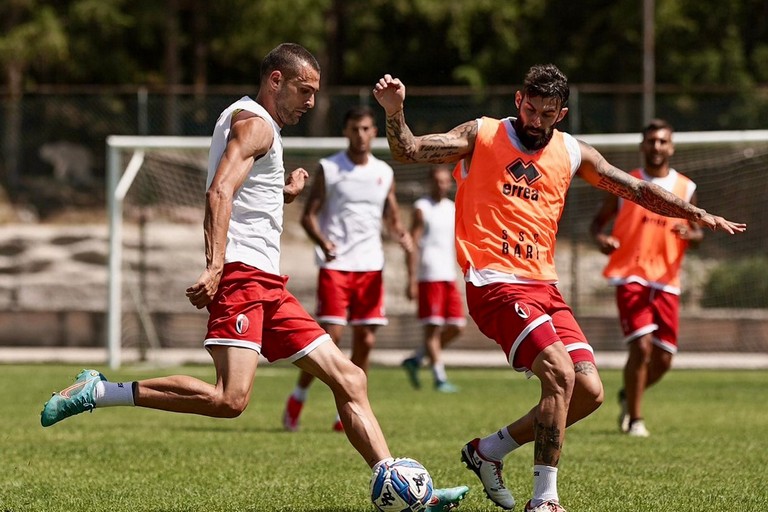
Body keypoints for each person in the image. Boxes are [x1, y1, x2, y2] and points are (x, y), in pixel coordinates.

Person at [40, 43, 467, 512]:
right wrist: (215, 265)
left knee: (350, 377)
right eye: (304, 91)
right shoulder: (257, 124)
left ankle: (405, 491)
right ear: (276, 81)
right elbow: (219, 191)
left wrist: (283, 190)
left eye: (315, 93)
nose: (310, 103)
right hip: (242, 275)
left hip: (266, 281)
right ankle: (99, 391)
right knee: (230, 399)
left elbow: (243, 190)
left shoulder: (257, 127)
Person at [373, 65, 745, 512]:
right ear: (518, 100)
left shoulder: (572, 152)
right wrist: (395, 113)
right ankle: (544, 501)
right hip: (495, 283)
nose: (535, 120)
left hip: (544, 287)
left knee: (589, 393)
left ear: (561, 113)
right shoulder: (483, 134)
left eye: (546, 113)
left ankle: (488, 450)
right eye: (529, 108)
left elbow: (637, 190)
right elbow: (409, 150)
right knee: (560, 374)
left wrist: (694, 213)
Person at [282, 105, 413, 433]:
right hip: (337, 265)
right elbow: (308, 215)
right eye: (355, 129)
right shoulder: (330, 167)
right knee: (330, 337)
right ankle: (299, 394)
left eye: (367, 129)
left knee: (365, 341)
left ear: (374, 132)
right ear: (346, 132)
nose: (361, 135)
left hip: (371, 266)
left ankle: (349, 411)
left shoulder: (384, 172)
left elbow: (392, 214)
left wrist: (402, 234)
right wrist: (323, 242)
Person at [590, 119, 702, 438]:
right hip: (631, 275)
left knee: (664, 359)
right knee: (641, 347)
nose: (656, 147)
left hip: (667, 280)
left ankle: (629, 395)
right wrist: (601, 239)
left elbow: (697, 234)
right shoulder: (627, 184)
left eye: (662, 141)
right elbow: (597, 224)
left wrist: (690, 234)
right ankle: (636, 420)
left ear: (672, 147)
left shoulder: (686, 187)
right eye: (651, 141)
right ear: (642, 145)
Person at [401, 164, 466, 393]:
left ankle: (417, 359)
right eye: (437, 181)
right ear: (430, 182)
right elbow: (412, 245)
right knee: (433, 329)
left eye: (445, 181)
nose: (441, 185)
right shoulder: (422, 208)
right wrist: (411, 279)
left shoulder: (452, 208)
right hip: (428, 275)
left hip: (448, 275)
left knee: (457, 326)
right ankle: (439, 377)